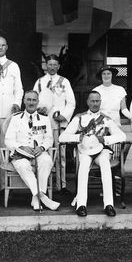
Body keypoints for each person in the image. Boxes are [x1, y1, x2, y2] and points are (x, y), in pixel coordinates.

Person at [59, 91, 126, 217]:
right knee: (84, 165)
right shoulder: (79, 117)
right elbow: (62, 137)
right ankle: (81, 205)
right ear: (87, 102)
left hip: (102, 150)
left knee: (105, 164)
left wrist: (104, 140)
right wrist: (80, 137)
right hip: (84, 151)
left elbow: (122, 136)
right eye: (92, 101)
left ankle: (108, 204)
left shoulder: (106, 119)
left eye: (97, 101)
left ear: (100, 102)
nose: (95, 104)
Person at [4, 90, 60, 211]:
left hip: (38, 153)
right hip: (20, 154)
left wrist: (41, 148)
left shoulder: (44, 119)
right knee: (23, 165)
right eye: (28, 99)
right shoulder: (16, 119)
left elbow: (49, 139)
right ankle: (43, 198)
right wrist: (21, 147)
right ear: (24, 101)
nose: (31, 102)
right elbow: (8, 140)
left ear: (37, 102)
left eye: (34, 100)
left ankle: (36, 198)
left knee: (46, 161)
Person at [33, 54, 75, 195]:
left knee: (60, 154)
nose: (52, 67)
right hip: (43, 123)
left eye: (54, 64)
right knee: (44, 153)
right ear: (46, 65)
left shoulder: (64, 82)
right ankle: (45, 186)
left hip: (58, 122)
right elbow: (33, 100)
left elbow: (71, 103)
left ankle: (61, 185)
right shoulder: (40, 82)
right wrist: (37, 108)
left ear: (58, 66)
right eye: (49, 64)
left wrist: (64, 115)